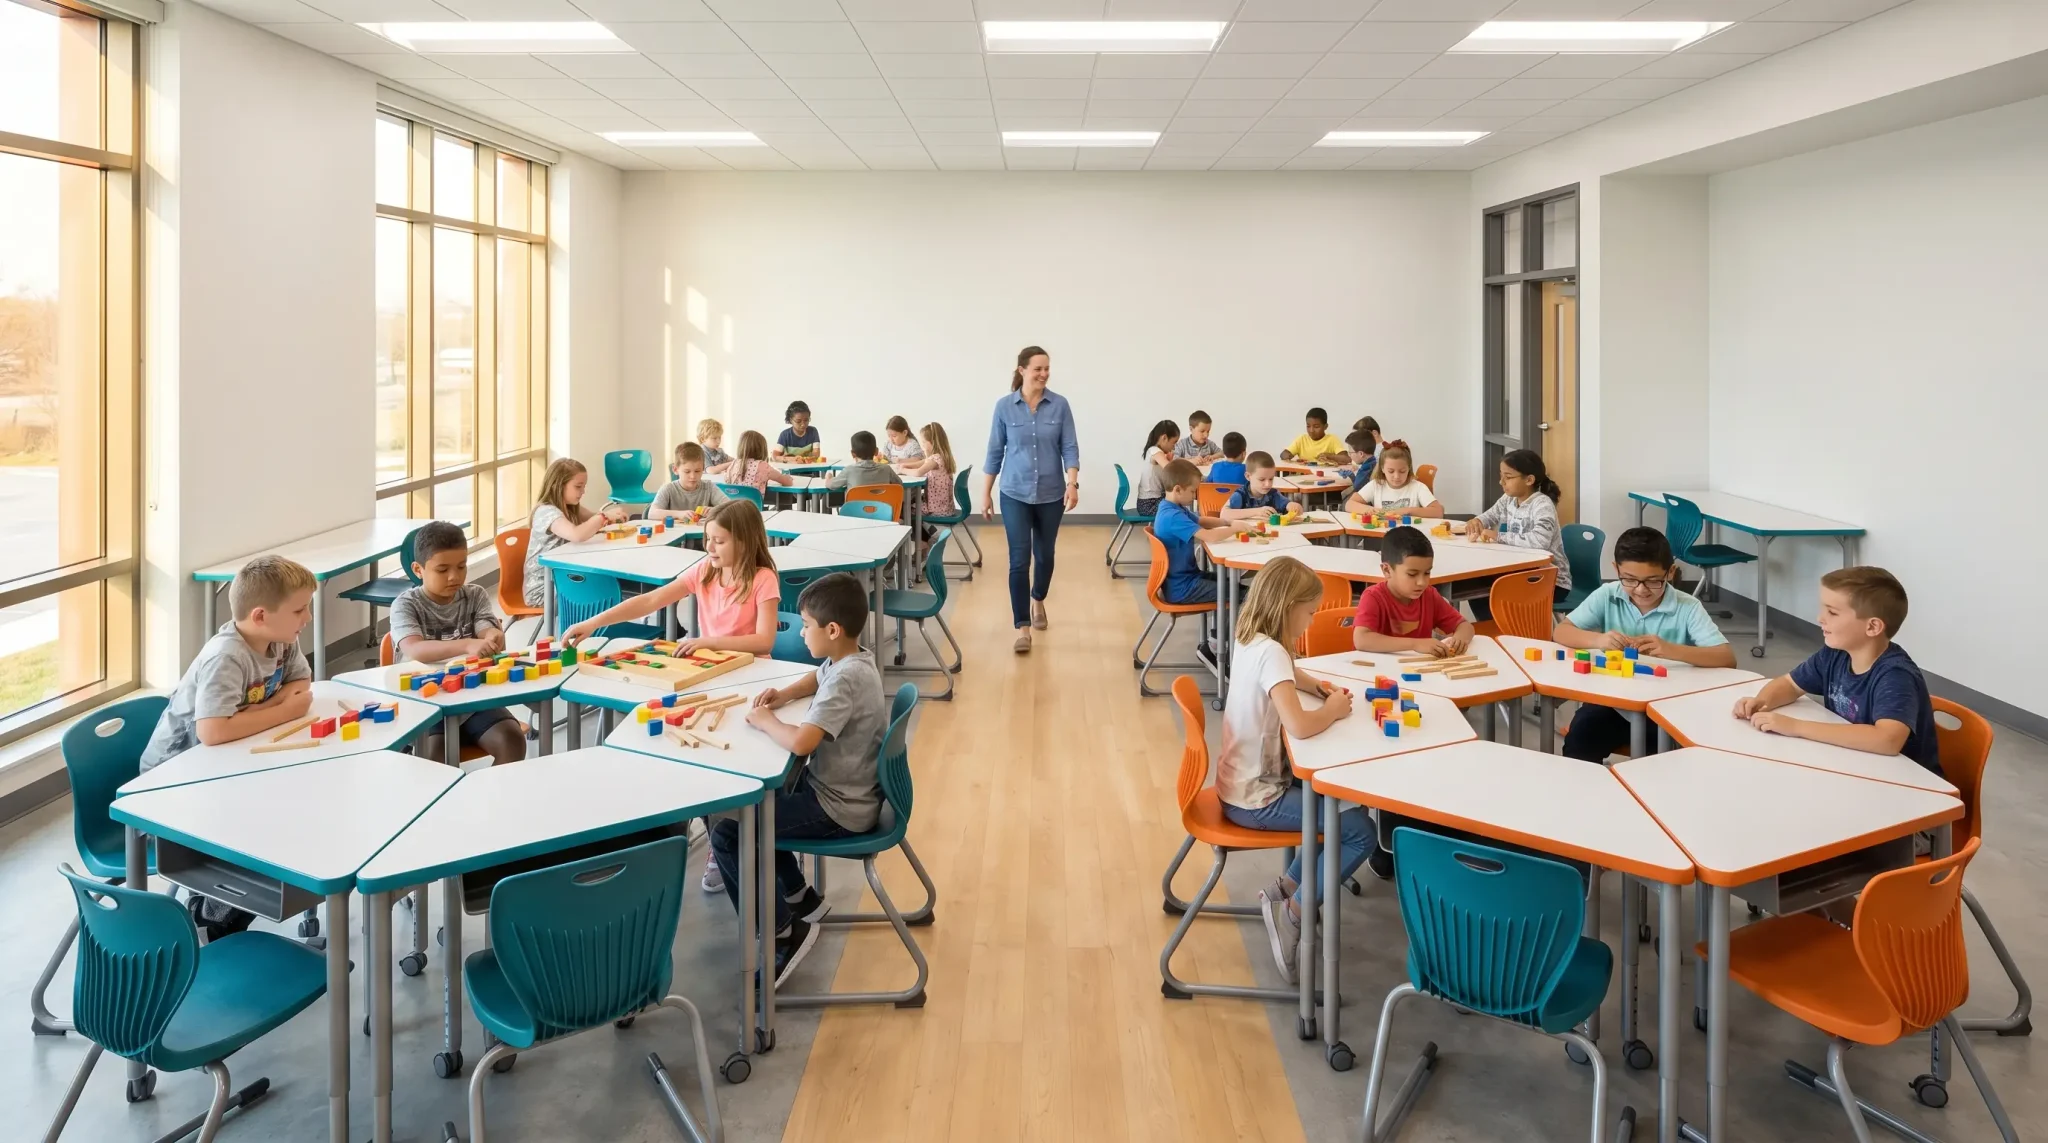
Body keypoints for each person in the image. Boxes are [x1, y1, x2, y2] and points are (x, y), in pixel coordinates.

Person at [708, 572, 888, 984]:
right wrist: (785, 694)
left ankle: (784, 932)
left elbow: (803, 743)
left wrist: (766, 719)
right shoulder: (851, 659)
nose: (802, 632)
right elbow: (817, 676)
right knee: (754, 807)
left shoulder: (846, 678)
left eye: (806, 626)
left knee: (729, 832)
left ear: (832, 630)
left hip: (839, 809)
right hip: (844, 793)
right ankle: (797, 897)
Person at [139, 555, 316, 941]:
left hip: (227, 764)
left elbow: (303, 686)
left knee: (294, 812)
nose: (309, 619)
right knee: (268, 828)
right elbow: (214, 731)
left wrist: (263, 710)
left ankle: (227, 913)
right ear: (260, 615)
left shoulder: (282, 640)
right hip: (174, 785)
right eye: (301, 610)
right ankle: (211, 916)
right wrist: (281, 709)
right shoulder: (227, 655)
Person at [1214, 555, 1370, 984]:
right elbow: (1300, 726)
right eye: (1309, 612)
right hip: (1255, 799)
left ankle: (1284, 889)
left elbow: (1284, 674)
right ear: (1288, 609)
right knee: (1359, 830)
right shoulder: (1274, 653)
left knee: (1340, 808)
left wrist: (1315, 686)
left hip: (1237, 783)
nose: (1311, 619)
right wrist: (1335, 709)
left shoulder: (1253, 639)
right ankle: (1294, 912)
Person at [1731, 566, 1939, 774]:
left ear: (1872, 627)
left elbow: (1888, 739)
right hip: (1852, 764)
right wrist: (1762, 702)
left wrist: (1796, 727)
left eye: (1832, 612)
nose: (1820, 618)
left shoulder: (1895, 675)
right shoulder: (1836, 653)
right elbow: (1790, 684)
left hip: (1903, 781)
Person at [1554, 526, 1734, 764]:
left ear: (1670, 572)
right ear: (1616, 569)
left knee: (1664, 759)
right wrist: (1599, 640)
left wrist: (1672, 650)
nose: (1640, 590)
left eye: (1652, 581)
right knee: (1581, 739)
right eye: (1629, 579)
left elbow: (1726, 658)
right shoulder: (1608, 594)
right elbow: (1561, 631)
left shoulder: (1686, 606)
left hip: (1667, 706)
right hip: (1613, 702)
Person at [561, 499, 780, 660]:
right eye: (707, 539)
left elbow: (763, 642)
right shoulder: (705, 571)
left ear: (744, 542)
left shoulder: (763, 579)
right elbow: (650, 601)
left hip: (752, 667)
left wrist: (708, 643)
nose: (709, 547)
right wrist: (593, 622)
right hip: (712, 661)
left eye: (719, 542)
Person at [391, 521, 527, 767]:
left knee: (512, 740)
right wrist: (467, 645)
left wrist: (491, 637)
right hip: (426, 702)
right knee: (435, 757)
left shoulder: (474, 595)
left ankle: (490, 802)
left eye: (461, 566)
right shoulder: (406, 604)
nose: (454, 576)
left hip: (472, 699)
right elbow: (415, 649)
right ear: (418, 569)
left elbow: (486, 630)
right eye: (442, 570)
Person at [982, 345, 1079, 654]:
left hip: (1052, 494)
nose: (1044, 373)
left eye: (1047, 368)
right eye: (1038, 368)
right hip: (1014, 493)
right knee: (1019, 560)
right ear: (1022, 370)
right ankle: (1022, 627)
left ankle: (1038, 599)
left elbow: (1070, 447)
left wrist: (1073, 483)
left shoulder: (1060, 405)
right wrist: (985, 492)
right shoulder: (1004, 407)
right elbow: (995, 452)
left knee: (1046, 555)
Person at [1466, 448, 1570, 619]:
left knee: (1489, 591)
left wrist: (1497, 536)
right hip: (1521, 572)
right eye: (1501, 476)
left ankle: (1505, 631)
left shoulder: (1542, 505)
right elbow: (1490, 515)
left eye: (1508, 477)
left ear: (1529, 479)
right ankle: (1496, 629)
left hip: (1551, 581)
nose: (1501, 482)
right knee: (1474, 589)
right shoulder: (1509, 499)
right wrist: (1477, 521)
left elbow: (1539, 542)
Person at [1351, 526, 1474, 658]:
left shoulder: (1429, 595)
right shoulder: (1373, 597)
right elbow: (1361, 639)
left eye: (1427, 573)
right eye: (1412, 574)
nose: (1421, 582)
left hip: (1417, 671)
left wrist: (1459, 640)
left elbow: (1465, 626)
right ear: (1387, 570)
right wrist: (1415, 644)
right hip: (1378, 670)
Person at [525, 458, 629, 609]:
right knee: (606, 588)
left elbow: (592, 519)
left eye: (584, 486)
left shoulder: (570, 507)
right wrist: (604, 517)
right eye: (578, 487)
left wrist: (611, 518)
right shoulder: (546, 512)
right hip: (543, 590)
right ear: (558, 486)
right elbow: (577, 534)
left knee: (610, 582)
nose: (583, 492)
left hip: (565, 578)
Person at [1152, 459, 1250, 606]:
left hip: (1186, 579)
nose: (1195, 496)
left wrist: (1227, 522)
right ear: (1178, 489)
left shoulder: (1171, 507)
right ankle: (1235, 629)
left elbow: (1201, 521)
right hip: (1182, 588)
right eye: (1193, 491)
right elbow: (1210, 536)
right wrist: (1236, 528)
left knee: (1239, 588)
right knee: (1244, 595)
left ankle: (1226, 628)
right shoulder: (1173, 517)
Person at [897, 421, 958, 568]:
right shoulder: (942, 456)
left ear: (931, 442)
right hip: (943, 506)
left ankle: (923, 542)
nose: (922, 446)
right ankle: (924, 540)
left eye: (923, 442)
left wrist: (903, 470)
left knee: (901, 508)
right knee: (907, 504)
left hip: (936, 508)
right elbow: (921, 463)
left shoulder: (936, 459)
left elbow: (919, 472)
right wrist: (905, 465)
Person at [1344, 441, 1443, 517]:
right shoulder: (1376, 485)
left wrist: (1407, 511)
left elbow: (1438, 512)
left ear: (1409, 468)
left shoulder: (1417, 487)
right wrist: (1371, 510)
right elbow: (1349, 504)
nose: (1396, 476)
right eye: (1391, 471)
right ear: (1382, 468)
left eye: (1402, 471)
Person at [1220, 452, 1304, 521]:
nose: (1268, 484)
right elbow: (1224, 514)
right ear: (1248, 476)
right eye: (1262, 479)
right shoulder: (1240, 495)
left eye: (1271, 479)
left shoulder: (1273, 494)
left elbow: (1287, 505)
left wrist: (1293, 506)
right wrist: (1257, 511)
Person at [651, 442, 730, 515]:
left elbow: (731, 507)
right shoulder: (668, 489)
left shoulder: (709, 487)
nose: (693, 476)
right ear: (675, 469)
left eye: (697, 471)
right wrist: (679, 514)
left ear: (703, 468)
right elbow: (652, 513)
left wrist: (714, 510)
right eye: (687, 472)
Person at [826, 430, 901, 498]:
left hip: (854, 512)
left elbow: (830, 485)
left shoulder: (849, 471)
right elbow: (899, 484)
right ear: (876, 451)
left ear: (853, 454)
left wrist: (828, 477)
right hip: (883, 511)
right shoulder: (886, 469)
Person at [1134, 419, 1179, 517]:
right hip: (1149, 504)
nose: (1174, 447)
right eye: (1174, 442)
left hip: (1151, 501)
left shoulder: (1156, 452)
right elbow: (1169, 469)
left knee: (1179, 501)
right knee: (1179, 505)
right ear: (1164, 438)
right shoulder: (1155, 451)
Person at [731, 429, 796, 493]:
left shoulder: (734, 464)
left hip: (734, 503)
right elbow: (787, 483)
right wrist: (788, 478)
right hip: (754, 503)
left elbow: (727, 482)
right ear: (762, 450)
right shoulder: (763, 466)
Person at [1280, 406, 1346, 464]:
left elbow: (1346, 459)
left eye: (1316, 427)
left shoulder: (1332, 439)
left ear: (1325, 426)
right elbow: (1283, 454)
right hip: (1303, 476)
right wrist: (1287, 456)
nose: (1311, 430)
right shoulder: (1302, 439)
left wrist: (1330, 456)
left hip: (1325, 477)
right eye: (1308, 426)